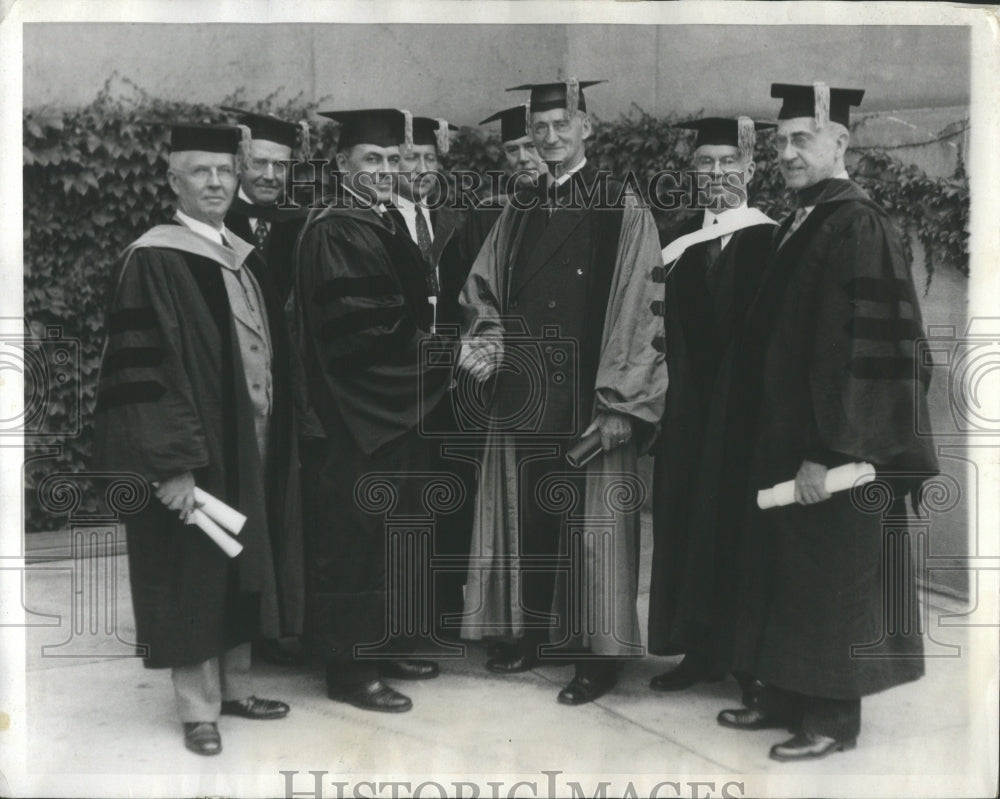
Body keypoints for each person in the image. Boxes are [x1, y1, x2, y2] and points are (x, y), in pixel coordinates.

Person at [717, 83, 938, 761]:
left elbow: (862, 355)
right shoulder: (807, 218)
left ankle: (833, 718)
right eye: (780, 141)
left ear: (841, 143)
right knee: (789, 570)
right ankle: (785, 695)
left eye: (801, 139)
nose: (787, 152)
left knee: (830, 576)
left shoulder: (857, 223)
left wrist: (829, 449)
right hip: (789, 438)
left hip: (834, 446)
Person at [93, 124, 303, 756]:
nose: (216, 182)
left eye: (224, 171)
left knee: (240, 561)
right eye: (199, 172)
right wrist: (173, 464)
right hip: (194, 448)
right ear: (172, 181)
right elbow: (144, 370)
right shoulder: (153, 258)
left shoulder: (240, 251)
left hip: (249, 442)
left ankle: (235, 689)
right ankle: (197, 709)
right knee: (191, 574)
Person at [458, 79, 666, 705]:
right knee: (528, 519)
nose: (550, 137)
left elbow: (641, 305)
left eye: (561, 125)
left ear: (587, 129)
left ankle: (593, 659)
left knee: (590, 528)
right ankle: (528, 634)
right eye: (540, 128)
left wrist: (623, 399)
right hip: (523, 391)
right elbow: (484, 288)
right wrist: (487, 342)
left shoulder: (622, 206)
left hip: (589, 390)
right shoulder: (518, 208)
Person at [293, 108, 456, 712]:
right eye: (372, 160)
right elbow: (368, 334)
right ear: (342, 165)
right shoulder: (337, 229)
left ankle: (381, 645)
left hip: (389, 409)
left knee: (390, 532)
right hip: (355, 413)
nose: (385, 170)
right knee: (355, 536)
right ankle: (349, 670)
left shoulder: (378, 220)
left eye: (392, 160)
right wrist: (453, 351)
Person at [647, 117, 777, 696]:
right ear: (693, 171)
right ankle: (697, 651)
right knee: (685, 526)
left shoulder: (773, 238)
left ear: (750, 169)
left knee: (744, 534)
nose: (717, 173)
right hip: (688, 410)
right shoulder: (673, 240)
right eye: (706, 163)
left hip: (748, 416)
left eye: (729, 162)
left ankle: (749, 664)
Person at [222, 108, 309, 302]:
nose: (270, 176)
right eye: (259, 163)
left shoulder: (303, 223)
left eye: (280, 165)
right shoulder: (218, 218)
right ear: (239, 162)